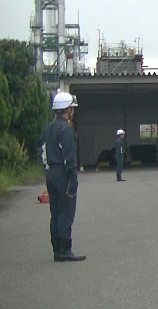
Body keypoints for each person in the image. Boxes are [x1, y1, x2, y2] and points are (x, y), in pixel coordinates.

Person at [40, 91, 86, 262]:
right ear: (67, 110)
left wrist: (48, 170)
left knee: (56, 212)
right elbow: (69, 157)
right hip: (62, 174)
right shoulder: (65, 129)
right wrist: (73, 180)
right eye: (72, 108)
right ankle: (65, 249)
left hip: (50, 172)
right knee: (66, 212)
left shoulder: (48, 128)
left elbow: (43, 153)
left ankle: (57, 249)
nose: (73, 111)